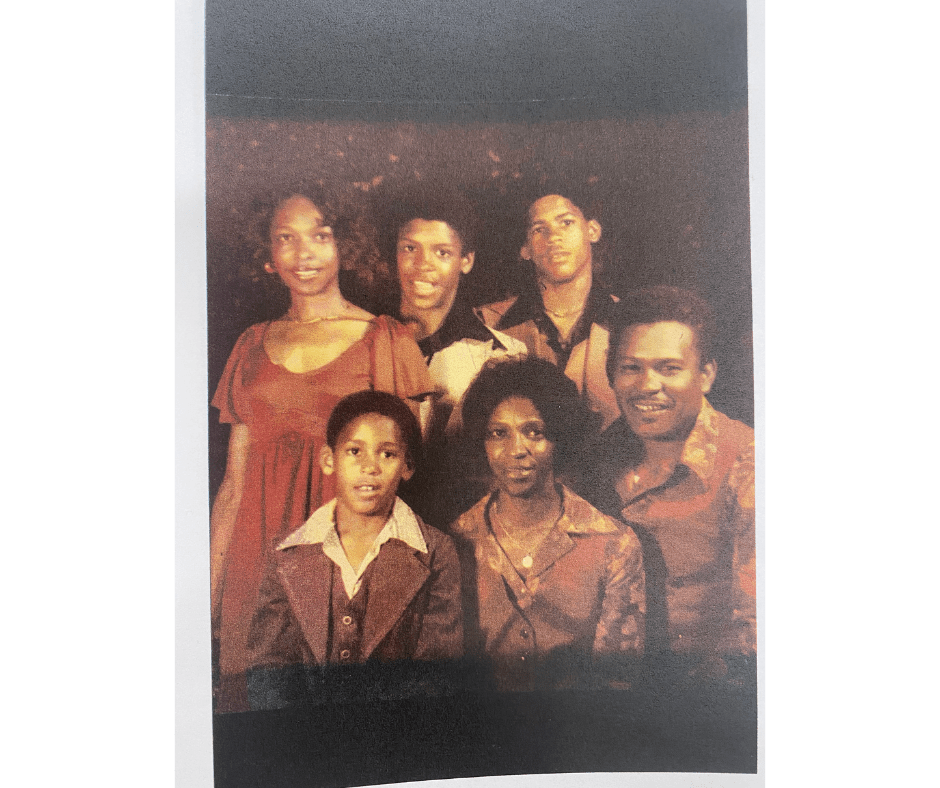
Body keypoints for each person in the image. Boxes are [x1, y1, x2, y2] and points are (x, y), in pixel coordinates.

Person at [210, 188, 434, 711]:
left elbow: (405, 485)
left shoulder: (386, 339)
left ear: (344, 244)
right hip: (255, 564)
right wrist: (208, 592)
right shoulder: (249, 344)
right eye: (285, 238)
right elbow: (233, 486)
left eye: (320, 235)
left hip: (345, 562)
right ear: (267, 254)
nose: (303, 252)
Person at [578, 286, 755, 682]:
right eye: (631, 367)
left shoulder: (748, 463)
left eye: (669, 368)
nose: (647, 385)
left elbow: (759, 635)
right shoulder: (594, 459)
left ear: (705, 375)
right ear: (610, 374)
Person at [245, 391, 463, 709]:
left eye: (387, 454)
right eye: (354, 451)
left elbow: (436, 676)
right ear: (329, 460)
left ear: (407, 466)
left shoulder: (436, 553)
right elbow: (269, 673)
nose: (369, 467)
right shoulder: (287, 553)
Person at [450, 357, 645, 691]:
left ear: (560, 438)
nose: (517, 450)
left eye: (534, 432)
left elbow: (616, 684)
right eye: (498, 434)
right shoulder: (455, 541)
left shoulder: (615, 544)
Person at [385, 187, 527, 523]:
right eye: (410, 248)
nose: (423, 265)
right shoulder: (367, 343)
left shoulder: (504, 355)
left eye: (442, 252)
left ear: (466, 261)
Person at [478, 189, 621, 430]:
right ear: (525, 249)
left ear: (592, 230)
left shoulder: (629, 321)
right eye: (539, 229)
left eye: (566, 223)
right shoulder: (488, 325)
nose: (553, 237)